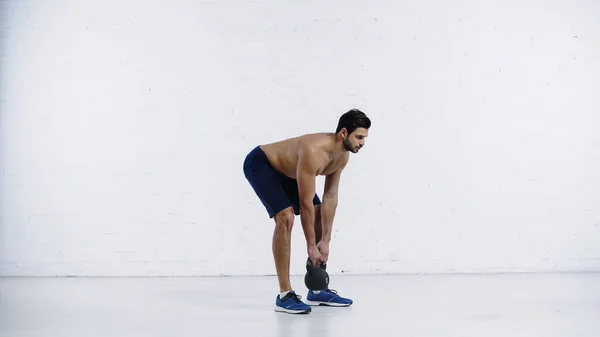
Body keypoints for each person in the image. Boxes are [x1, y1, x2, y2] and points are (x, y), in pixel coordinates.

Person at [243, 109, 371, 314]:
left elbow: (330, 198)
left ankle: (317, 288)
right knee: (285, 217)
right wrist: (311, 245)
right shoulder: (314, 151)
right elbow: (305, 204)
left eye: (365, 138)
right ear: (344, 133)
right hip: (262, 164)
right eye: (359, 137)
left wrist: (325, 241)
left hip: (289, 171)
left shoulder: (342, 157)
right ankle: (285, 296)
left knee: (320, 210)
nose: (363, 143)